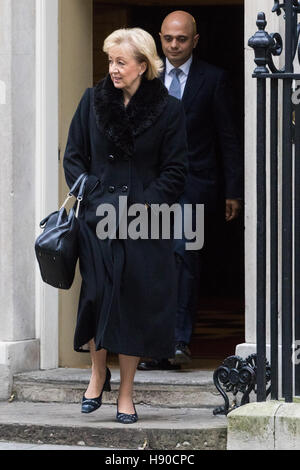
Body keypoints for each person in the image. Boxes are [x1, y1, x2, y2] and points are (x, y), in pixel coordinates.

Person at [63, 27, 188, 423]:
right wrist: (98, 201)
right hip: (98, 221)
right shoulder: (92, 101)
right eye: (110, 61)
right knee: (98, 298)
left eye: (121, 62)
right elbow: (74, 159)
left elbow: (175, 171)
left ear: (142, 65)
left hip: (144, 223)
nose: (113, 69)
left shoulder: (168, 110)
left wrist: (141, 208)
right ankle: (98, 374)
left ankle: (127, 395)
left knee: (133, 306)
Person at [138, 10, 243, 371]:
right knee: (153, 262)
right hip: (152, 189)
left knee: (184, 257)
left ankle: (179, 341)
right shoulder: (147, 78)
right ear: (159, 38)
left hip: (194, 186)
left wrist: (234, 190)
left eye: (181, 39)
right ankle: (156, 345)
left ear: (195, 41)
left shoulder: (213, 79)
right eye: (167, 39)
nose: (173, 46)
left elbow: (227, 138)